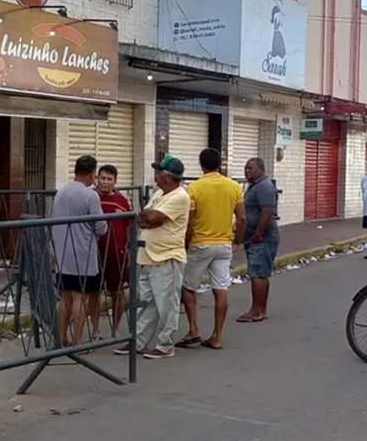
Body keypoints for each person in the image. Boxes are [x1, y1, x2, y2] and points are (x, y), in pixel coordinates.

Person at [115, 154, 190, 360]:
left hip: (166, 256)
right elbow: (144, 216)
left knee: (166, 304)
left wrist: (150, 218)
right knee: (148, 302)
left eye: (159, 172)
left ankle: (165, 345)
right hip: (148, 255)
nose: (156, 175)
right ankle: (138, 341)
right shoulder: (159, 193)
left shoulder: (180, 196)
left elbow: (153, 217)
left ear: (168, 177)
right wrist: (149, 218)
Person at [178, 149, 243, 350]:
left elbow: (190, 220)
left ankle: (194, 329)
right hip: (224, 245)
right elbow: (242, 218)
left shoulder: (194, 188)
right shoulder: (234, 186)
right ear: (220, 164)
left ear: (201, 164)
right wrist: (237, 240)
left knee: (188, 287)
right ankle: (217, 336)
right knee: (220, 289)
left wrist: (186, 242)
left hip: (200, 243)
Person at [51, 155, 108, 348]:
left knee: (65, 297)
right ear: (92, 174)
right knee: (80, 297)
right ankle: (78, 342)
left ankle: (62, 339)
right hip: (82, 252)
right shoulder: (90, 195)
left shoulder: (61, 192)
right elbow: (100, 227)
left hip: (62, 252)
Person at [92, 164, 132, 341]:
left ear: (115, 181)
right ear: (97, 179)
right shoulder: (91, 198)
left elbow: (129, 227)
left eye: (109, 179)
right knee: (93, 292)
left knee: (118, 293)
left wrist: (129, 249)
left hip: (116, 253)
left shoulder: (122, 201)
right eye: (102, 178)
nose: (105, 182)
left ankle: (115, 329)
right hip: (93, 252)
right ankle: (95, 330)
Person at [237, 158, 279, 323]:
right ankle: (261, 309)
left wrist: (258, 233)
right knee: (261, 274)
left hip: (263, 237)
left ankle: (256, 310)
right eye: (245, 168)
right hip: (257, 236)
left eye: (250, 168)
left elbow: (267, 211)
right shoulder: (255, 186)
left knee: (257, 274)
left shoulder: (264, 186)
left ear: (260, 169)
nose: (247, 171)